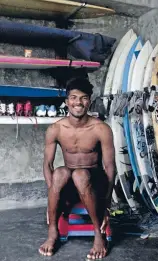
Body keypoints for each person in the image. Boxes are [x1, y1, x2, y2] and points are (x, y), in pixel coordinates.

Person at [38, 77, 115, 259]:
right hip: (70, 181)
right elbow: (47, 164)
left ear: (89, 101)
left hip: (95, 180)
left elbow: (110, 167)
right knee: (60, 172)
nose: (78, 102)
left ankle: (99, 236)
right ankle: (52, 233)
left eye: (83, 98)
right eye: (73, 97)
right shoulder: (56, 129)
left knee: (80, 174)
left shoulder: (101, 129)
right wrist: (52, 196)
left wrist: (106, 204)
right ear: (67, 102)